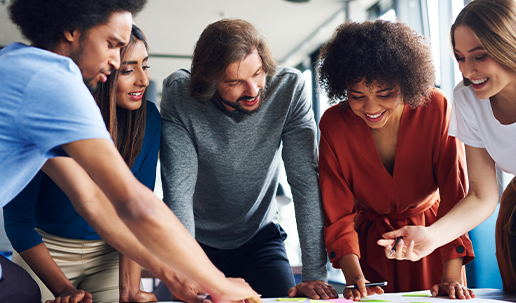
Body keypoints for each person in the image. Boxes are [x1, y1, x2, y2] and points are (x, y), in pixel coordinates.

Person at [0, 1, 262, 303]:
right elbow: (134, 203)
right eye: (112, 45)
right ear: (72, 31)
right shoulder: (52, 82)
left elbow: (92, 200)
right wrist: (218, 283)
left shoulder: (20, 63)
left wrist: (173, 276)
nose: (114, 60)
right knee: (22, 292)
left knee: (22, 291)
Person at [160, 18, 337, 299]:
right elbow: (178, 191)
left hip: (260, 239)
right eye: (234, 82)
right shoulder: (180, 95)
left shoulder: (289, 90)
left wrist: (315, 274)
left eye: (257, 73)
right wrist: (187, 271)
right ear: (209, 80)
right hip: (195, 243)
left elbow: (305, 184)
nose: (253, 90)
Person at [378, 1, 516, 302]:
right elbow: (482, 195)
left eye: (480, 56)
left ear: (513, 45)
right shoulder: (468, 100)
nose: (467, 70)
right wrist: (431, 237)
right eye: (460, 57)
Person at [317, 20, 475, 300]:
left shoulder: (435, 108)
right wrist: (355, 278)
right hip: (367, 249)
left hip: (432, 240)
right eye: (357, 96)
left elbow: (455, 195)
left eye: (385, 93)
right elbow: (338, 213)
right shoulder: (334, 124)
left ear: (406, 81)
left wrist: (450, 276)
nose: (371, 107)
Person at [4, 25, 159, 303]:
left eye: (145, 66)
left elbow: (134, 210)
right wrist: (64, 289)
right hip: (47, 249)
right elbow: (18, 221)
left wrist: (130, 290)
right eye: (127, 70)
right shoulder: (45, 110)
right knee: (24, 294)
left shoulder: (148, 119)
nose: (143, 80)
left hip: (112, 250)